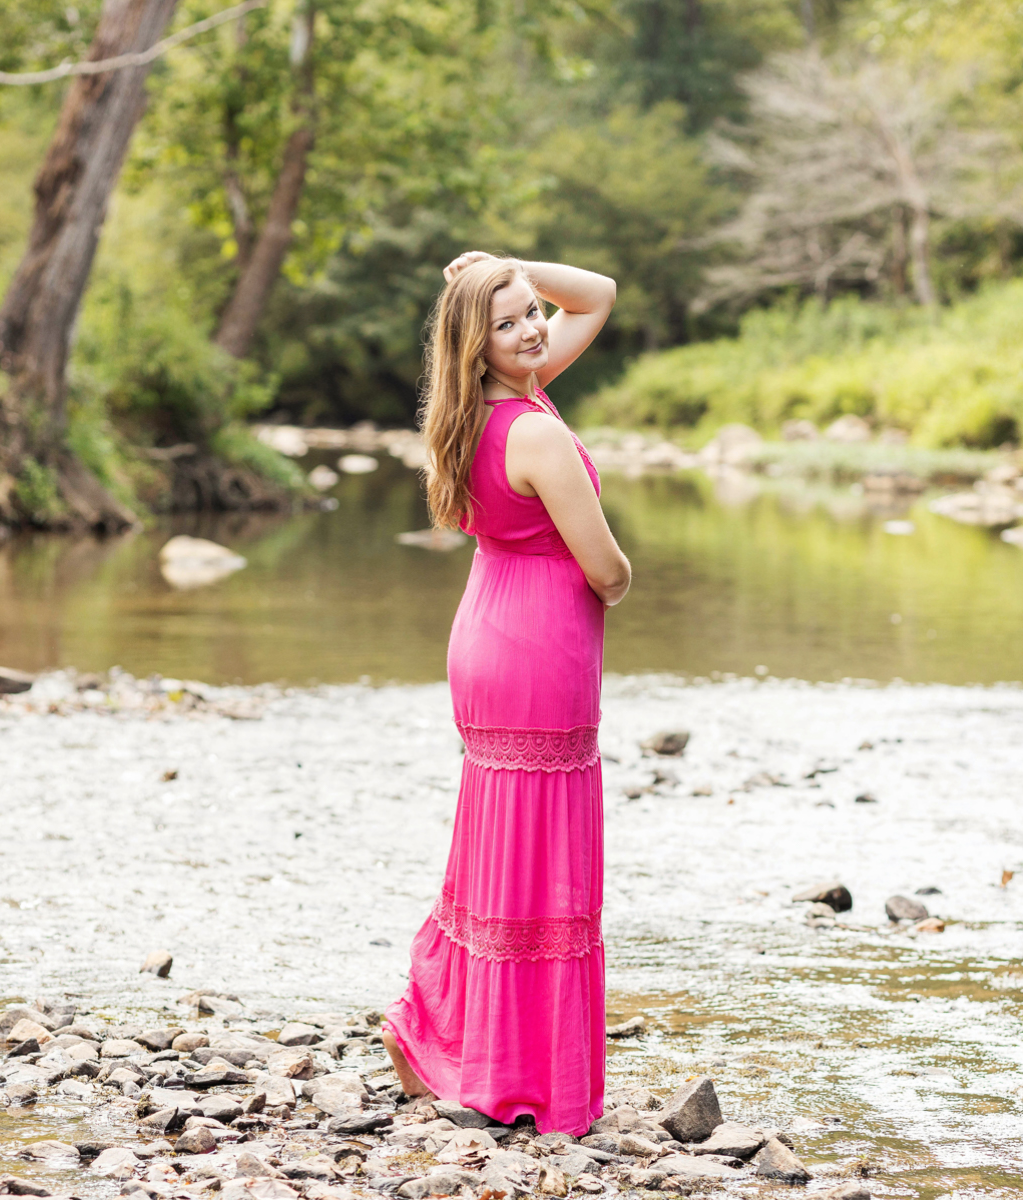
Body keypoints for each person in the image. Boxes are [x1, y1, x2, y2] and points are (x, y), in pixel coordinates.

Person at [381, 251, 629, 1135]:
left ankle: (444, 1032)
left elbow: (594, 295)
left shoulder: (475, 408)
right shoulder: (538, 431)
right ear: (477, 344)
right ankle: (526, 1077)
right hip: (539, 646)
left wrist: (511, 267)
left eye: (533, 312)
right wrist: (625, 573)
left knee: (498, 850)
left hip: (486, 628)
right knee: (542, 860)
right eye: (510, 321)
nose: (534, 329)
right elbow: (604, 568)